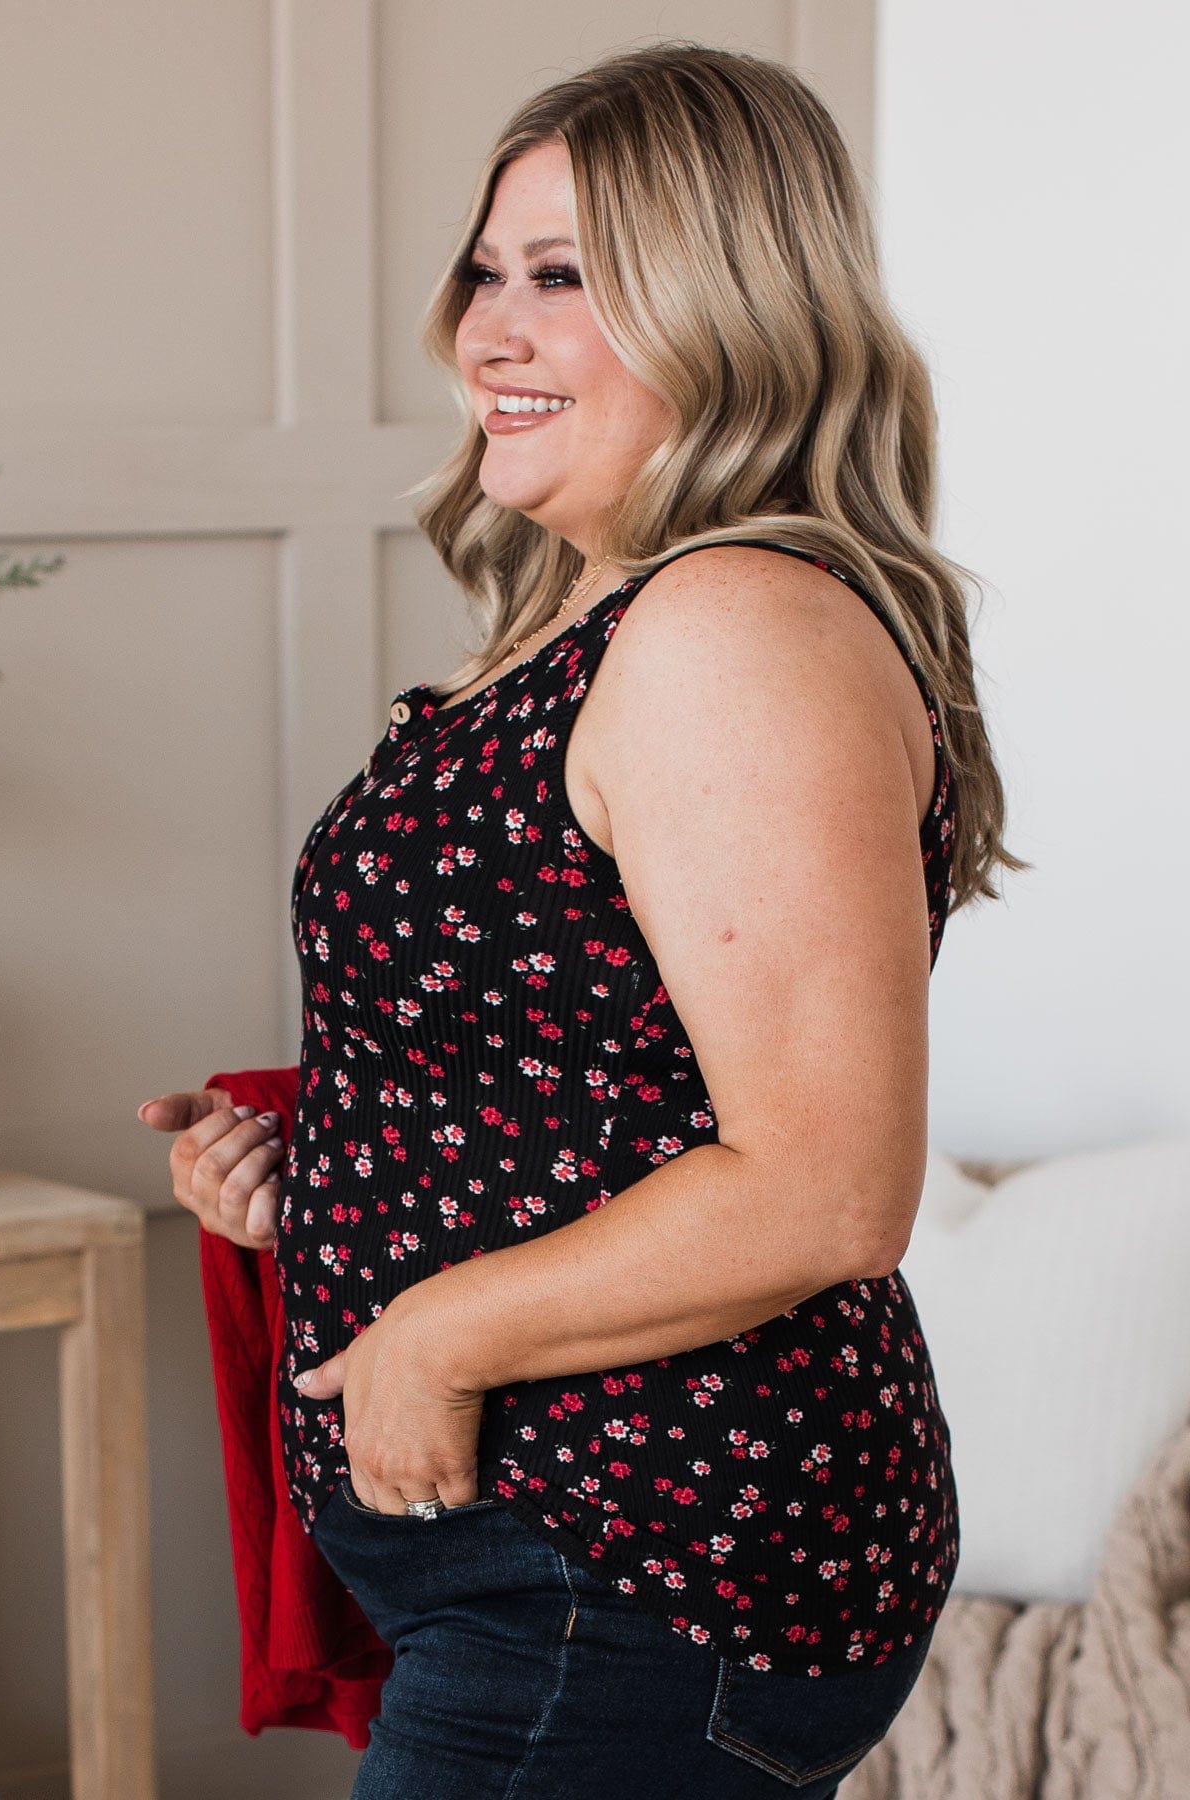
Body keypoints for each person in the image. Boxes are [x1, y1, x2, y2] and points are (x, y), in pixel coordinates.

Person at [139, 40, 1025, 1799]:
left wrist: (436, 1333)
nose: (490, 330)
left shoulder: (733, 627)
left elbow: (827, 1184)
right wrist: (331, 1160)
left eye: (564, 276)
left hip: (633, 1577)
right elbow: (596, 1062)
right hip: (552, 1573)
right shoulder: (600, 614)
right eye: (487, 269)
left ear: (730, 309)